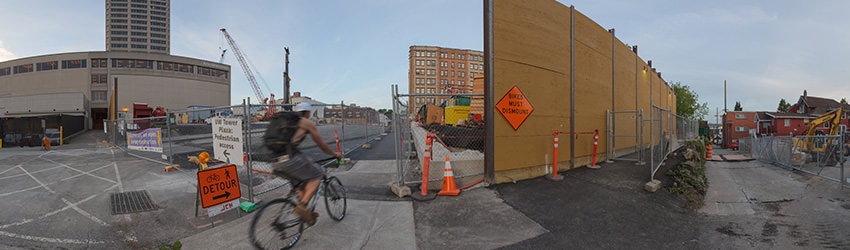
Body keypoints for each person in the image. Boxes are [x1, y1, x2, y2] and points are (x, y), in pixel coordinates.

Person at [271, 102, 341, 225]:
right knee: (317, 174)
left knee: (301, 183)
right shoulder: (306, 122)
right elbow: (321, 144)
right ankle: (302, 207)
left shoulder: (286, 121)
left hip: (274, 160)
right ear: (308, 112)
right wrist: (334, 154)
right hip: (289, 158)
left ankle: (304, 212)